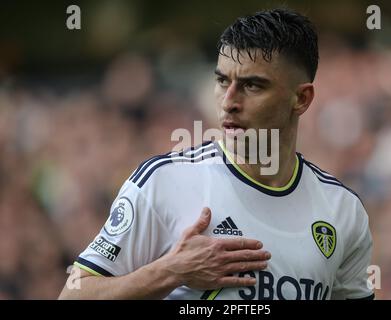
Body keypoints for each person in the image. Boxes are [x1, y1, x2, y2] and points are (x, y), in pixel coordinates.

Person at [59, 8, 374, 300]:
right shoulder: (164, 181)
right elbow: (73, 293)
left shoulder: (343, 211)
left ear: (301, 99)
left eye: (252, 86)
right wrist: (168, 271)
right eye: (223, 81)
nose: (228, 101)